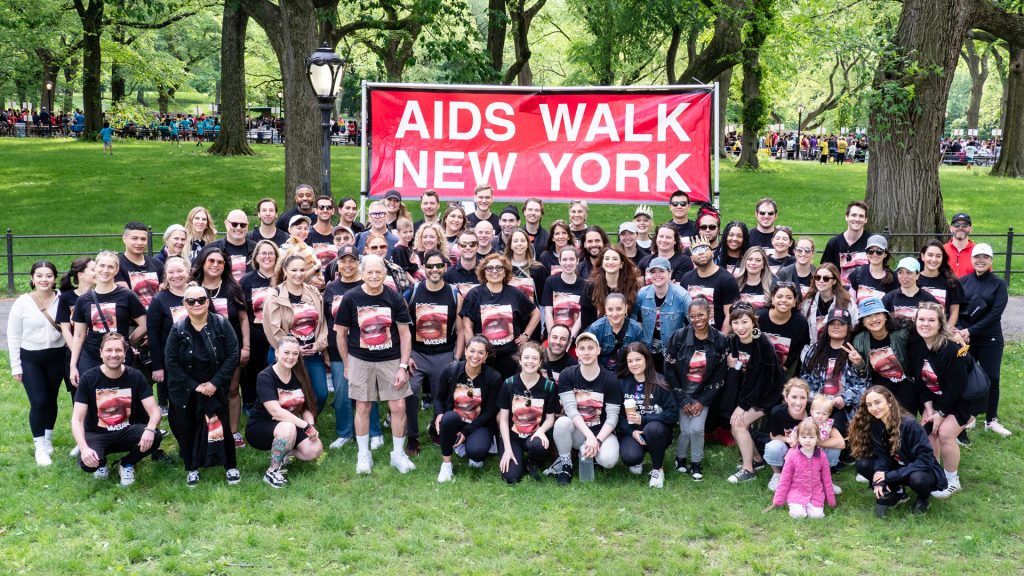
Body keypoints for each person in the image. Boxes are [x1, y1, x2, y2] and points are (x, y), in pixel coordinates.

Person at [335, 254, 417, 475]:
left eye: (378, 272)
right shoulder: (351, 298)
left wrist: (402, 366)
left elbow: (405, 334)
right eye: (369, 272)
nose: (373, 276)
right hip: (360, 360)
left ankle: (398, 455)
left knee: (398, 406)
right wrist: (346, 364)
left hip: (390, 359)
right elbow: (341, 334)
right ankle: (364, 455)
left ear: (385, 274)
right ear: (361, 274)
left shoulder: (395, 298)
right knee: (363, 406)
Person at [164, 283, 241, 486]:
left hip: (217, 387)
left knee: (223, 428)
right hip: (188, 390)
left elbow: (233, 354)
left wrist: (215, 383)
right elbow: (171, 361)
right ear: (184, 304)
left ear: (208, 302)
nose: (196, 304)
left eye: (201, 300)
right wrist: (195, 386)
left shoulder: (221, 324)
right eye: (191, 301)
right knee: (188, 428)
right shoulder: (178, 329)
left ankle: (231, 467)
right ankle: (192, 468)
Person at [910, 302, 982, 500]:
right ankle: (935, 473)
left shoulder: (950, 349)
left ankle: (952, 480)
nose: (925, 324)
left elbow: (955, 388)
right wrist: (928, 408)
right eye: (921, 319)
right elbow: (921, 381)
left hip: (963, 399)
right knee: (927, 428)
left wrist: (940, 414)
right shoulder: (917, 345)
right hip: (936, 397)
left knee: (944, 433)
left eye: (931, 320)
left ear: (940, 324)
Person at [71, 333, 163, 486]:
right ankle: (101, 462)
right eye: (108, 350)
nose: (113, 355)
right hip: (97, 434)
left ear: (125, 353)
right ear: (101, 353)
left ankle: (126, 464)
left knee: (156, 437)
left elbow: (154, 411)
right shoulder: (88, 378)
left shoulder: (135, 376)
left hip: (126, 431)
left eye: (118, 350)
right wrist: (84, 448)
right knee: (87, 464)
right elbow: (77, 419)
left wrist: (150, 429)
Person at [849, 386, 946, 516]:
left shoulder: (909, 424)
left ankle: (923, 499)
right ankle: (898, 492)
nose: (874, 408)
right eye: (869, 405)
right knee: (863, 464)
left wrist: (888, 476)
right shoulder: (877, 424)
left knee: (918, 479)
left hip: (920, 469)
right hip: (897, 467)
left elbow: (925, 460)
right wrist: (880, 479)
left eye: (878, 402)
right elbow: (882, 456)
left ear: (889, 401)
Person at [405, 249, 463, 457]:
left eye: (439, 265)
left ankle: (436, 427)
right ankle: (412, 437)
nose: (435, 269)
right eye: (430, 266)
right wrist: (407, 355)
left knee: (444, 397)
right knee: (410, 392)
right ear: (424, 268)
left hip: (444, 354)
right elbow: (402, 325)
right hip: (418, 354)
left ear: (445, 267)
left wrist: (456, 358)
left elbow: (461, 329)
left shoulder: (454, 294)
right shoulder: (414, 291)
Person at [323, 245, 382, 450]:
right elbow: (324, 320)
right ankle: (345, 433)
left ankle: (374, 432)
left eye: (352, 260)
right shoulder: (331, 288)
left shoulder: (367, 285)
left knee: (367, 392)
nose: (348, 265)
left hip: (365, 348)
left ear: (359, 264)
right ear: (337, 263)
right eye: (344, 260)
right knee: (341, 391)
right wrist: (325, 351)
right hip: (337, 348)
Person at [190, 246, 250, 446]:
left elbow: (243, 319)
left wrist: (246, 347)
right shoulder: (193, 288)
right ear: (204, 263)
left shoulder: (233, 288)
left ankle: (233, 431)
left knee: (232, 390)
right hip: (201, 351)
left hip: (231, 350)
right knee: (205, 392)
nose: (215, 265)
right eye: (211, 261)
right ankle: (206, 433)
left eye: (220, 262)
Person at [7, 261, 65, 466]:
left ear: (55, 278)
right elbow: (13, 335)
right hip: (31, 358)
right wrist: (16, 365)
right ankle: (39, 446)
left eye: (48, 275)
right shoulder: (22, 302)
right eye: (39, 275)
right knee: (39, 401)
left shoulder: (62, 299)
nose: (44, 279)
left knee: (51, 399)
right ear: (32, 278)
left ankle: (48, 439)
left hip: (57, 356)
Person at [246, 336, 324, 488]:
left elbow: (307, 406)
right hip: (261, 427)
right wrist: (305, 426)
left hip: (290, 426)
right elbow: (276, 412)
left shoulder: (300, 374)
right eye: (286, 352)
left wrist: (311, 425)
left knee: (315, 449)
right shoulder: (265, 377)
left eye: (295, 353)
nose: (291, 357)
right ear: (276, 353)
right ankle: (272, 471)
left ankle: (285, 452)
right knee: (287, 427)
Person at [546, 332, 623, 485]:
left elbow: (613, 417)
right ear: (577, 351)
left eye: (590, 348)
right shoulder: (568, 374)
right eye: (582, 348)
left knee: (608, 461)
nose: (586, 352)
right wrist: (589, 437)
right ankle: (566, 464)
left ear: (598, 350)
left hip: (602, 432)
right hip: (578, 431)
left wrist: (598, 440)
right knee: (561, 423)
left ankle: (591, 456)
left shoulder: (610, 379)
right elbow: (570, 409)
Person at [664, 296, 728, 480]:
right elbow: (669, 371)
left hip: (703, 394)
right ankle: (680, 458)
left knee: (697, 429)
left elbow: (719, 375)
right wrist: (683, 399)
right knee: (685, 430)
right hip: (682, 392)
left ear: (709, 314)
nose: (697, 319)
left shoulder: (719, 340)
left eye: (701, 314)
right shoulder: (679, 337)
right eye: (693, 316)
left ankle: (696, 463)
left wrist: (702, 401)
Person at [722, 304, 785, 483]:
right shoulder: (733, 341)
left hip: (769, 394)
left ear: (753, 322)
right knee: (736, 424)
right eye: (735, 322)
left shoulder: (762, 343)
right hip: (749, 393)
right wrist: (731, 366)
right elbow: (739, 374)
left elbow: (761, 380)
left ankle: (748, 470)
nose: (740, 327)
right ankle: (756, 460)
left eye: (744, 322)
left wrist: (743, 405)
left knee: (739, 424)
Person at [69, 251, 147, 386]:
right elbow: (79, 335)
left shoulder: (127, 296)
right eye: (102, 266)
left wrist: (126, 342)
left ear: (116, 270)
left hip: (118, 356)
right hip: (91, 356)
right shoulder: (83, 300)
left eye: (110, 267)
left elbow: (144, 324)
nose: (105, 270)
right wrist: (73, 365)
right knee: (92, 399)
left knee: (119, 398)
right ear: (96, 268)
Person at [262, 253, 329, 412]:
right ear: (285, 270)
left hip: (311, 352)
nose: (299, 274)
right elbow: (273, 328)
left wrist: (319, 345)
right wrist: (292, 349)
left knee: (321, 394)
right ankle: (289, 426)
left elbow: (322, 323)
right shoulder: (275, 295)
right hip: (284, 353)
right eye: (294, 270)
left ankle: (308, 421)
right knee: (285, 396)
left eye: (302, 270)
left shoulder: (313, 292)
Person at [956, 243, 1010, 437]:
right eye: (977, 257)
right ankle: (968, 416)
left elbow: (995, 314)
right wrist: (962, 330)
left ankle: (991, 419)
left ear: (990, 261)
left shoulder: (998, 284)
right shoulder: (963, 281)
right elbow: (958, 309)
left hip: (991, 338)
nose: (981, 260)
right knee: (966, 376)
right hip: (966, 339)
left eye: (985, 257)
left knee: (992, 377)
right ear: (972, 259)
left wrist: (971, 329)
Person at [433, 335, 503, 482]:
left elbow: (490, 412)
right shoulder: (451, 370)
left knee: (476, 453)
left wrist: (466, 432)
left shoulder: (493, 377)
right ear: (465, 351)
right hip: (455, 419)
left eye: (480, 352)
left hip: (479, 423)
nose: (475, 356)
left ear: (485, 356)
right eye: (472, 351)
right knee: (448, 417)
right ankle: (446, 465)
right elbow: (438, 398)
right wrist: (439, 414)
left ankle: (470, 444)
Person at [460, 254, 540, 379]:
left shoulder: (515, 293)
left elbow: (536, 313)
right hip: (483, 356)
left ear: (505, 272)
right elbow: (467, 325)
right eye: (490, 268)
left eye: (499, 268)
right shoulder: (474, 294)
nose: (494, 271)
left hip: (509, 356)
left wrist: (526, 335)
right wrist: (473, 350)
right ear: (483, 272)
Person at [616, 343, 678, 488]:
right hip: (633, 432)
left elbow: (672, 414)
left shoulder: (660, 381)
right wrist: (632, 432)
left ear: (646, 359)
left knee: (652, 429)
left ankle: (658, 469)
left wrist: (644, 419)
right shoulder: (622, 383)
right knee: (630, 457)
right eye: (630, 361)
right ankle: (638, 458)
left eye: (638, 359)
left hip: (657, 432)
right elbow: (618, 416)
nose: (634, 364)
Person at [497, 342, 558, 484]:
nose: (530, 361)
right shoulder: (509, 383)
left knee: (537, 445)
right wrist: (507, 449)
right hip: (512, 437)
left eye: (534, 358)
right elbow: (504, 419)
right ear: (520, 360)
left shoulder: (548, 386)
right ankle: (515, 457)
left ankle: (532, 461)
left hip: (534, 435)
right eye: (526, 357)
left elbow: (550, 418)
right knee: (511, 478)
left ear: (540, 362)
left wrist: (541, 431)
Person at [799, 308, 867, 434]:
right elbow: (804, 379)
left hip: (845, 408)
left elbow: (864, 386)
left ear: (848, 327)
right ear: (827, 327)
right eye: (832, 324)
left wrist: (844, 398)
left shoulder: (854, 351)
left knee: (833, 430)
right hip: (816, 405)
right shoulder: (815, 350)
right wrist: (816, 399)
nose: (836, 327)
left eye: (841, 324)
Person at [849, 297, 918, 414]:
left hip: (907, 379)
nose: (874, 319)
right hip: (881, 382)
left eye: (877, 314)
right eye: (868, 316)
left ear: (885, 316)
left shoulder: (902, 333)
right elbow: (864, 374)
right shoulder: (859, 340)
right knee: (882, 414)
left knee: (904, 415)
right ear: (863, 322)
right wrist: (859, 364)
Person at [766, 417, 838, 519]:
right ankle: (797, 506)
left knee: (817, 516)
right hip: (797, 492)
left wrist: (831, 501)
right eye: (804, 437)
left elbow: (827, 479)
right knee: (798, 515)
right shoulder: (792, 456)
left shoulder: (822, 456)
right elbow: (785, 479)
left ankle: (812, 506)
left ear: (817, 438)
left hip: (815, 493)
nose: (807, 441)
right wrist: (778, 501)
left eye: (811, 437)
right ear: (798, 438)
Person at [147, 256, 191, 415]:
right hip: (173, 358)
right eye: (171, 272)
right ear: (165, 275)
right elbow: (153, 334)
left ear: (188, 271)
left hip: (199, 357)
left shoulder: (198, 293)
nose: (176, 275)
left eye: (180, 270)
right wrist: (157, 366)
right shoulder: (159, 300)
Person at [240, 240, 280, 414]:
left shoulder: (282, 278)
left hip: (278, 334)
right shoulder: (247, 280)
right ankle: (250, 403)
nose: (267, 257)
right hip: (255, 333)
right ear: (256, 257)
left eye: (271, 253)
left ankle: (275, 403)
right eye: (263, 253)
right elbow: (242, 311)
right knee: (252, 371)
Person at [633, 257, 691, 370]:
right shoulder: (642, 294)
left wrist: (684, 344)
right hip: (647, 348)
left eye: (661, 271)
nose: (657, 275)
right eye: (653, 272)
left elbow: (693, 322)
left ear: (670, 273)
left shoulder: (682, 296)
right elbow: (634, 316)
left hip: (672, 350)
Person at [57, 257, 96, 407]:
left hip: (98, 350)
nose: (97, 272)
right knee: (80, 396)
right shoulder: (66, 297)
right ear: (80, 274)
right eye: (93, 269)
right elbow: (65, 328)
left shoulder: (100, 294)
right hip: (76, 353)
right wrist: (77, 352)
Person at [680, 237, 740, 331]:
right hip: (691, 336)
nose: (701, 253)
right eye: (696, 250)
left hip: (716, 337)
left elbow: (730, 315)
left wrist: (721, 340)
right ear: (691, 258)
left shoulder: (727, 279)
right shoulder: (686, 278)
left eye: (704, 248)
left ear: (712, 253)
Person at [581, 246, 641, 332]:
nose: (610, 262)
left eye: (615, 259)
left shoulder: (633, 286)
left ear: (621, 264)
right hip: (598, 334)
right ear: (602, 263)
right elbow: (585, 317)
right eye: (607, 259)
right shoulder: (591, 286)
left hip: (627, 334)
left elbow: (638, 316)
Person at [757, 283, 810, 377]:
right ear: (773, 299)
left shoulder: (800, 323)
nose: (784, 300)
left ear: (794, 301)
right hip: (758, 367)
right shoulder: (759, 317)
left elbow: (798, 347)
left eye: (789, 297)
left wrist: (785, 367)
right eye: (779, 296)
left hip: (784, 370)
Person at [504, 228, 549, 338]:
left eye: (522, 241)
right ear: (510, 245)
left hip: (532, 321)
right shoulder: (503, 268)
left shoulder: (538, 269)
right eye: (515, 241)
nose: (519, 244)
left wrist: (543, 326)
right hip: (508, 321)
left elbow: (543, 302)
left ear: (528, 244)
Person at [800, 263, 857, 341]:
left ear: (834, 281)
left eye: (826, 278)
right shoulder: (808, 301)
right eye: (818, 277)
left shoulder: (847, 302)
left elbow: (854, 326)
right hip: (813, 348)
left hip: (838, 347)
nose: (821, 281)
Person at [588, 293, 643, 371]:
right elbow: (588, 355)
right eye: (610, 309)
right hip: (602, 372)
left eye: (619, 309)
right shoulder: (596, 328)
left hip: (627, 371)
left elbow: (641, 356)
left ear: (626, 308)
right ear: (605, 310)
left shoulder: (636, 329)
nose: (614, 314)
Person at [820, 200, 870, 287]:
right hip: (838, 292)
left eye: (861, 216)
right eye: (854, 215)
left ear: (866, 220)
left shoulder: (871, 242)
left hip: (864, 291)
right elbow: (824, 272)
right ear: (846, 217)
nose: (857, 219)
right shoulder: (834, 243)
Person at [115, 221, 163, 309]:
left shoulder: (157, 264)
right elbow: (125, 296)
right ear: (124, 239)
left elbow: (164, 293)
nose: (139, 243)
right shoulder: (117, 265)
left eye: (143, 239)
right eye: (134, 238)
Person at [917, 239, 964, 326]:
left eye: (938, 256)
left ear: (942, 258)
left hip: (943, 329)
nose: (934, 259)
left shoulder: (951, 281)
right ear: (923, 256)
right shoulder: (914, 279)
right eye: (930, 255)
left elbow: (954, 312)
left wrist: (947, 332)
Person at [541, 246, 584, 338]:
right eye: (564, 259)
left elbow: (582, 315)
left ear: (577, 260)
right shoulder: (551, 281)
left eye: (572, 259)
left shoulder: (584, 285)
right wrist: (553, 336)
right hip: (552, 334)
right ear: (559, 261)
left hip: (574, 336)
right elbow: (548, 312)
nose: (568, 263)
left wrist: (570, 337)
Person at [209, 210, 257, 282]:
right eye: (234, 224)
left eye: (243, 225)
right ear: (226, 224)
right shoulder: (211, 249)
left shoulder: (257, 250)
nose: (238, 228)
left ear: (247, 226)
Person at [848, 235, 895, 304]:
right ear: (866, 253)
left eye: (879, 251)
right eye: (870, 251)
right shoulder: (858, 273)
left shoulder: (893, 278)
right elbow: (851, 305)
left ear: (885, 254)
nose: (874, 254)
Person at [735, 247, 773, 311]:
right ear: (745, 261)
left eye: (758, 260)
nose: (753, 263)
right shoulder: (734, 283)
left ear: (763, 264)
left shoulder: (772, 284)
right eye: (750, 259)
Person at [943, 212, 975, 278]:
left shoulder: (977, 251)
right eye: (956, 225)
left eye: (965, 225)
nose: (960, 227)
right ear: (950, 228)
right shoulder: (942, 250)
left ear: (970, 229)